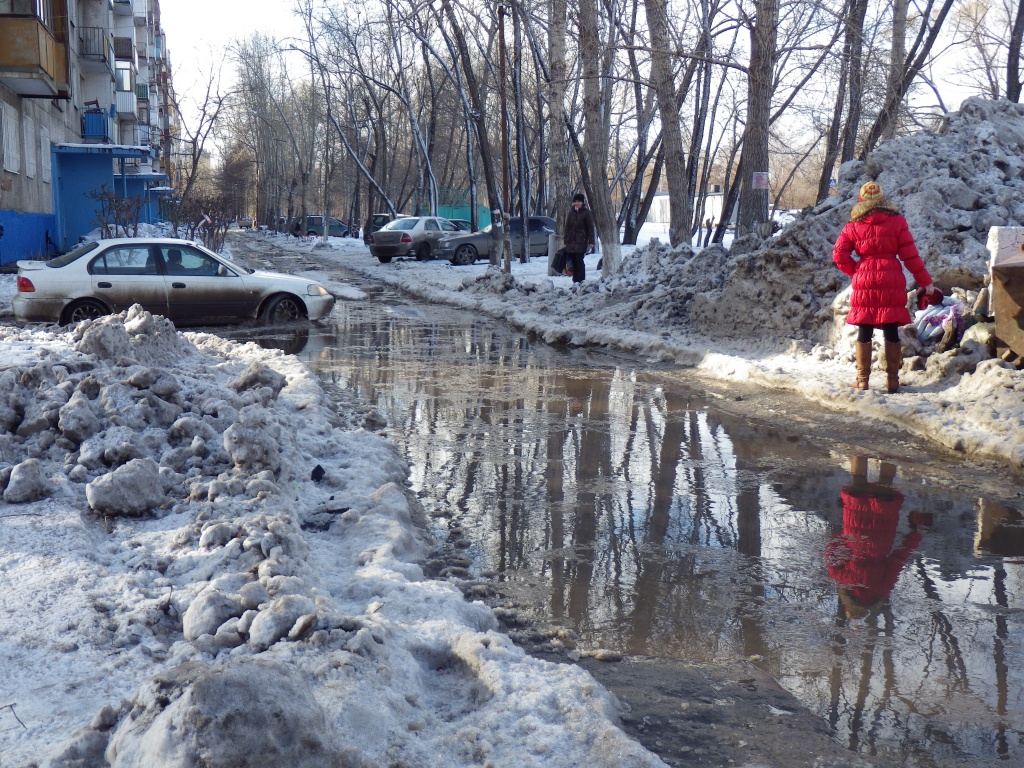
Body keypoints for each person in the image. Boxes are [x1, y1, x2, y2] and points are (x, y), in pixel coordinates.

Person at [832, 181, 938, 393]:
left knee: (865, 327)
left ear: (861, 201)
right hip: (891, 276)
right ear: (882, 199)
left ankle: (862, 380)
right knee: (890, 327)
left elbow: (839, 255)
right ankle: (892, 381)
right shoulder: (897, 221)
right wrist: (926, 282)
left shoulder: (853, 225)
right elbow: (910, 255)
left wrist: (857, 272)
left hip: (865, 278)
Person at [823, 456, 930, 620]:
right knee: (858, 480)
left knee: (885, 483)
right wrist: (844, 536)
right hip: (855, 528)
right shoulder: (842, 580)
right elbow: (831, 552)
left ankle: (889, 449)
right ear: (848, 602)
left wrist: (916, 534)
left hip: (882, 532)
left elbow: (899, 558)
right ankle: (861, 445)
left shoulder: (881, 589)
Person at [563, 193, 595, 284]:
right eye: (575, 201)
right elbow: (567, 227)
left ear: (582, 202)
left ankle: (581, 280)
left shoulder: (586, 213)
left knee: (579, 261)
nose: (577, 203)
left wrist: (591, 241)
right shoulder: (571, 213)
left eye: (579, 201)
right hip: (571, 242)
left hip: (581, 241)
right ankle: (575, 281)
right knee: (573, 261)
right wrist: (566, 240)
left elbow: (590, 227)